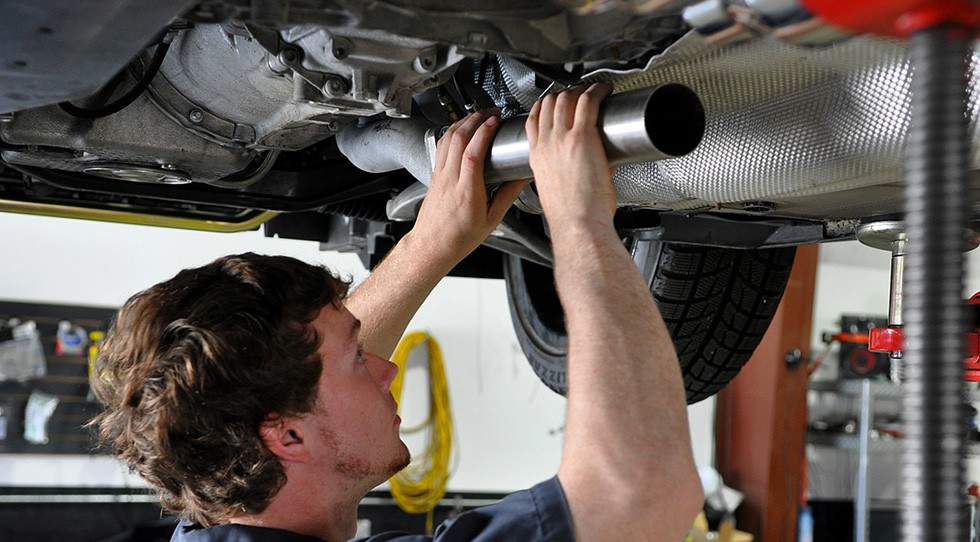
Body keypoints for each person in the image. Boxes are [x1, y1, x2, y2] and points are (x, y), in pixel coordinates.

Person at [90, 83, 703, 542]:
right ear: (288, 436)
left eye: (362, 353)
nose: (385, 367)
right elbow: (639, 499)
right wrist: (581, 220)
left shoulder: (223, 506)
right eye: (358, 361)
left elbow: (305, 380)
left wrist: (430, 243)